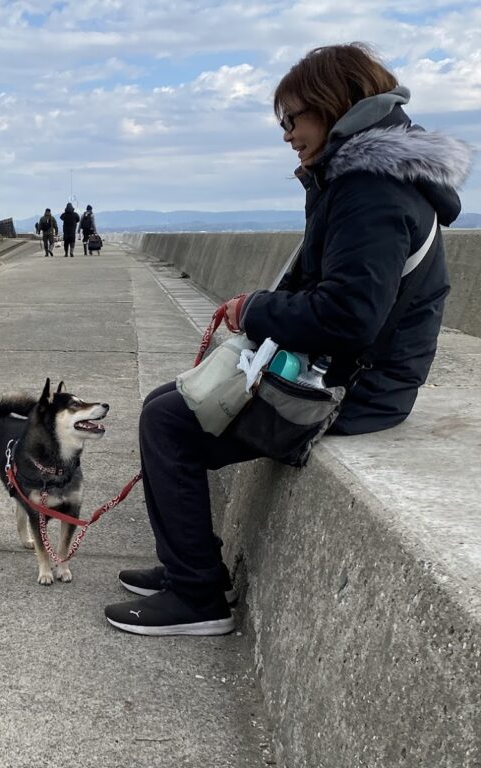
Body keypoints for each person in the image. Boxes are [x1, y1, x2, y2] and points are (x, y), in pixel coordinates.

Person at [104, 42, 472, 637]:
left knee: (169, 424)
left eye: (291, 119)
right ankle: (188, 567)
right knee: (163, 406)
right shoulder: (365, 179)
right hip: (355, 373)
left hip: (353, 389)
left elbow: (348, 315)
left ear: (334, 107)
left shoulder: (370, 189)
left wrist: (254, 308)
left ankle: (198, 597)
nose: (285, 135)